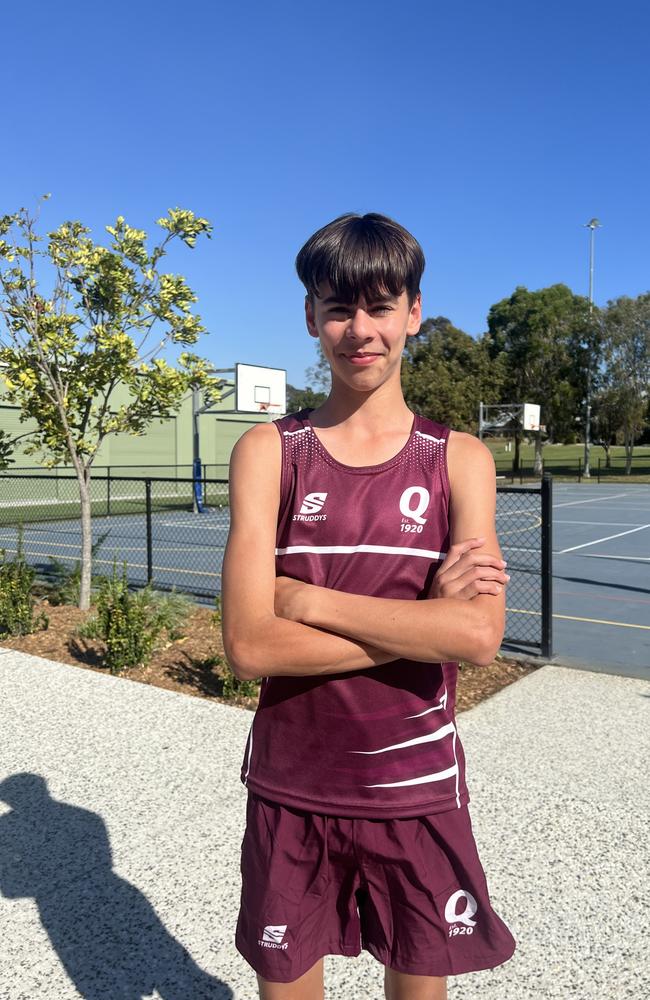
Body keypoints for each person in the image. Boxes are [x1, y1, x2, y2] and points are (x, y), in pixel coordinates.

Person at [222, 213, 516, 1000]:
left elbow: (479, 635)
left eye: (381, 307)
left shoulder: (459, 459)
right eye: (339, 307)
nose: (361, 330)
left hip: (416, 788)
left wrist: (305, 599)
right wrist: (425, 626)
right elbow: (250, 647)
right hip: (292, 785)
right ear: (311, 317)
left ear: (413, 313)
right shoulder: (267, 453)